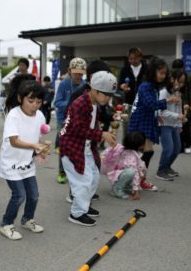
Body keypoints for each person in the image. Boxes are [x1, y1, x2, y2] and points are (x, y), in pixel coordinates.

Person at [59, 71, 117, 226]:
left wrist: (106, 129)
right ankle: (77, 213)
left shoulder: (94, 103)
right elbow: (78, 130)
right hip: (71, 147)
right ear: (95, 90)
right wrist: (102, 134)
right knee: (82, 182)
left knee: (94, 178)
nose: (108, 98)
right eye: (106, 95)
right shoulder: (80, 103)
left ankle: (84, 206)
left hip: (85, 147)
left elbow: (93, 125)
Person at [0, 78, 49, 240]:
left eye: (39, 101)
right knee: (19, 195)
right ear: (20, 99)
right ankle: (6, 224)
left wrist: (41, 149)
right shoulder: (13, 115)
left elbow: (37, 137)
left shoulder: (40, 115)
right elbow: (14, 141)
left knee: (33, 195)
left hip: (27, 163)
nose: (35, 105)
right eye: (31, 100)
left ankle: (27, 219)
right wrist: (35, 146)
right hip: (11, 164)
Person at [128, 57, 180, 191]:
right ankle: (135, 180)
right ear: (152, 71)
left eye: (164, 73)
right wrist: (169, 101)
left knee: (145, 152)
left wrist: (157, 116)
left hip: (147, 121)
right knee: (140, 153)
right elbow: (150, 104)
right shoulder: (146, 86)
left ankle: (139, 180)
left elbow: (151, 107)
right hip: (139, 122)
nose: (163, 76)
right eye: (161, 72)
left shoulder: (153, 87)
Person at [54, 57, 87, 184]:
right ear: (69, 70)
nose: (78, 75)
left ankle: (75, 171)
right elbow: (57, 102)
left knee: (78, 148)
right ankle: (62, 173)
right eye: (76, 72)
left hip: (79, 121)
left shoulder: (85, 85)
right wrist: (71, 104)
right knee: (64, 147)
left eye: (81, 72)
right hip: (63, 120)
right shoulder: (64, 84)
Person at [156, 69, 187, 181]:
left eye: (183, 82)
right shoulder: (164, 92)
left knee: (177, 148)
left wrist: (180, 124)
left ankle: (167, 167)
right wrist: (177, 116)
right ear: (172, 79)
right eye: (179, 81)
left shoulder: (178, 93)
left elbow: (179, 109)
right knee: (168, 148)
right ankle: (160, 170)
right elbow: (160, 112)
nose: (181, 84)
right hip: (164, 124)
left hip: (174, 125)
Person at [101, 131, 146, 200]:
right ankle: (117, 189)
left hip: (119, 173)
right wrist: (136, 190)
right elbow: (136, 173)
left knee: (141, 169)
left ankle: (126, 187)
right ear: (140, 145)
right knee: (132, 172)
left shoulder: (122, 148)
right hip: (119, 174)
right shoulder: (132, 156)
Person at [119, 47, 147, 138]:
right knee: (127, 126)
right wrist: (122, 86)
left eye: (135, 58)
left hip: (143, 102)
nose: (132, 60)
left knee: (141, 126)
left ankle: (140, 146)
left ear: (140, 57)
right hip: (128, 101)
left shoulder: (146, 69)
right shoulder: (125, 69)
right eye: (130, 58)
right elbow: (120, 83)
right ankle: (127, 147)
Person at [172, 59, 191, 154]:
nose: (177, 70)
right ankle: (180, 145)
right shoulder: (172, 77)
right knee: (178, 125)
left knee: (187, 124)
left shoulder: (188, 76)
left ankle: (188, 144)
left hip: (185, 103)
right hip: (175, 103)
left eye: (178, 68)